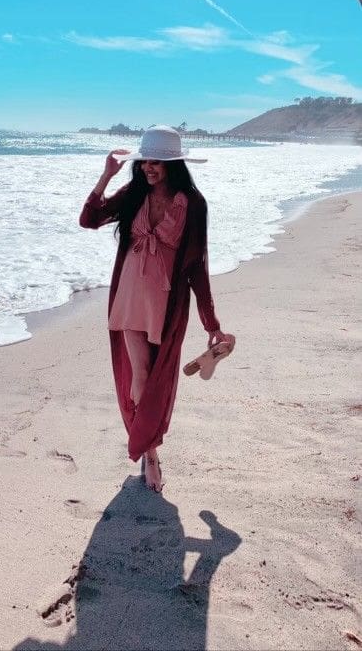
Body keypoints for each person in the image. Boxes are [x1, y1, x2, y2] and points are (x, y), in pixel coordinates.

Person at [79, 125, 235, 492]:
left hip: (167, 305)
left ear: (174, 164)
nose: (149, 167)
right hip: (131, 294)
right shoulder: (134, 192)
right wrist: (106, 175)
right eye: (145, 160)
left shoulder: (193, 204)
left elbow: (198, 264)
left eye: (158, 162)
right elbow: (89, 219)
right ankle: (150, 453)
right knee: (141, 375)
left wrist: (210, 321)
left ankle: (147, 441)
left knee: (159, 382)